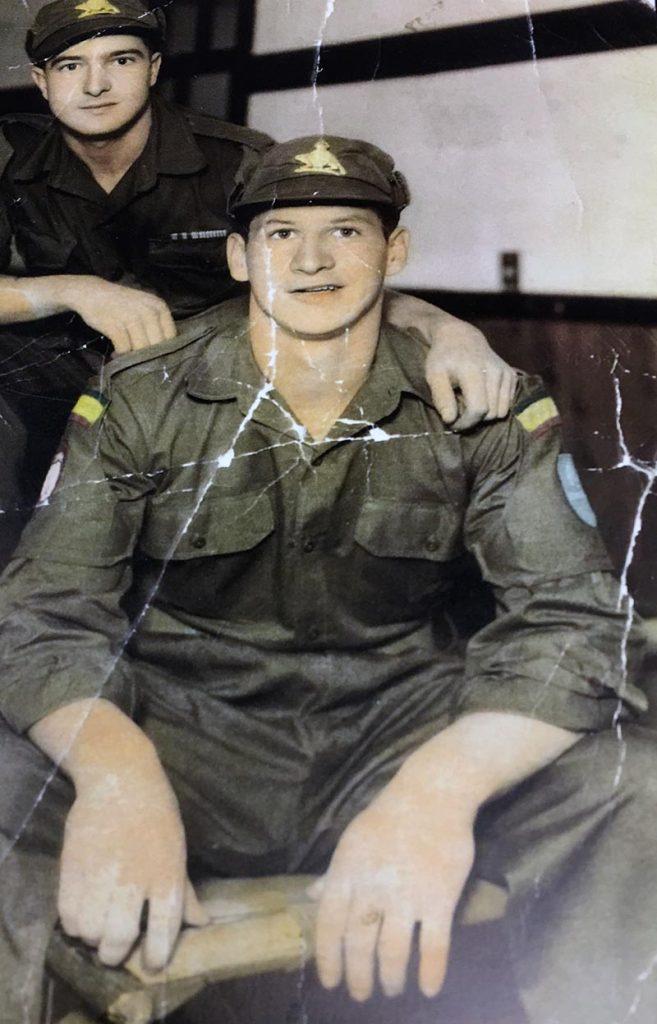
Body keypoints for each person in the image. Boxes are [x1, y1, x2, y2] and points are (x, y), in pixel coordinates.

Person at [0, 132, 655, 1024]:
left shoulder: (481, 401)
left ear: (395, 251)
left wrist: (436, 791)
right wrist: (118, 778)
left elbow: (574, 621)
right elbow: (41, 613)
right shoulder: (140, 398)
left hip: (394, 734)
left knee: (634, 792)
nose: (310, 260)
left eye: (345, 232)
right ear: (238, 256)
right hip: (184, 735)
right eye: (278, 234)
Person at [0, 0, 515, 538]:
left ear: (153, 69)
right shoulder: (9, 155)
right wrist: (77, 290)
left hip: (207, 384)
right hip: (59, 374)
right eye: (70, 65)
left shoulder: (243, 164)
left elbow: (331, 277)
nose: (95, 85)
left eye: (121, 61)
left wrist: (450, 330)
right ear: (41, 80)